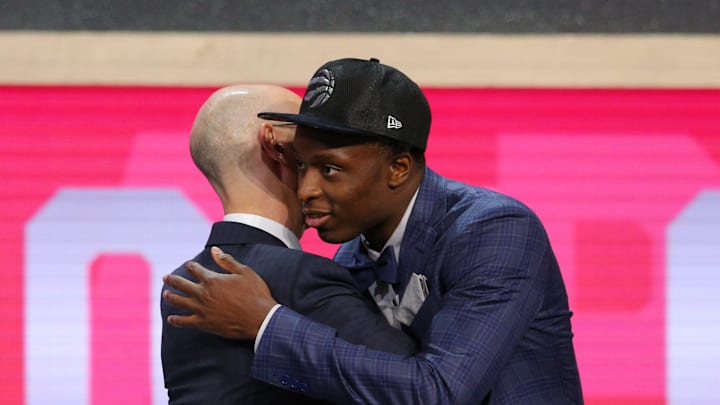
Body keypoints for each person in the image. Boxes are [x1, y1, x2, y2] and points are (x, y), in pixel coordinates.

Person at [164, 59, 583, 404]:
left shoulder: (492, 230)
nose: (306, 190)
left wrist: (267, 324)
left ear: (398, 168)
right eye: (302, 166)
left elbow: (439, 393)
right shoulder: (352, 256)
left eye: (330, 169)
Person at [160, 84, 417, 404]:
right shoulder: (302, 276)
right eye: (308, 135)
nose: (322, 146)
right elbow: (417, 387)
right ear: (276, 145)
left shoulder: (183, 282)